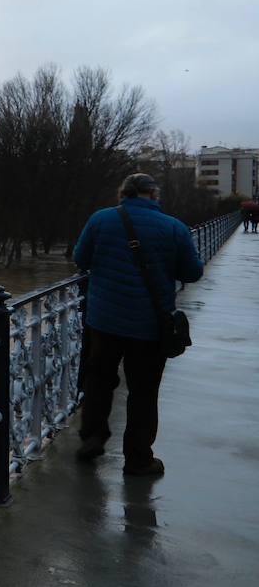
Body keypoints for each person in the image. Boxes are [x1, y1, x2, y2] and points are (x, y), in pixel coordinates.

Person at [73, 173, 203, 476]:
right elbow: (193, 273)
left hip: (103, 320)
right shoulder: (174, 227)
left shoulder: (100, 219)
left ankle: (92, 436)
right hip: (149, 326)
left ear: (124, 194)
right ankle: (138, 458)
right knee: (143, 391)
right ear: (154, 194)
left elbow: (81, 258)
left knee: (99, 380)